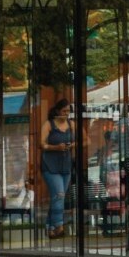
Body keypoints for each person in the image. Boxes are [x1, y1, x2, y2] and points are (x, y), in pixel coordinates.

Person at [40, 100, 76, 238]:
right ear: (57, 111)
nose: (66, 114)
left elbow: (86, 140)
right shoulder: (49, 124)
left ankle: (49, 228)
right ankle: (59, 225)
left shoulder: (71, 125)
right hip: (50, 165)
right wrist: (55, 147)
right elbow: (41, 144)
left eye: (68, 112)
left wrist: (72, 145)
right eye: (64, 111)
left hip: (65, 165)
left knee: (57, 197)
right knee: (59, 194)